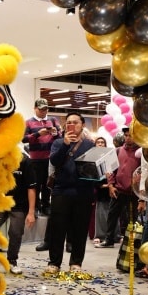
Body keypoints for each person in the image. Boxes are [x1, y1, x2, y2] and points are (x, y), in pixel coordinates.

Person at [43, 112, 99, 275]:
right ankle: (54, 262)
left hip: (84, 192)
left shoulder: (90, 144)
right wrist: (66, 145)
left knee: (80, 230)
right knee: (57, 229)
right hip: (61, 191)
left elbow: (94, 170)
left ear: (82, 125)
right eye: (68, 123)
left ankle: (76, 263)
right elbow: (54, 161)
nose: (71, 125)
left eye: (75, 122)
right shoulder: (58, 142)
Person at [0, 145, 38, 275]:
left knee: (15, 232)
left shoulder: (26, 162)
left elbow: (31, 188)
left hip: (19, 204)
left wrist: (31, 212)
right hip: (0, 202)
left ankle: (12, 261)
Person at [24, 99, 61, 217]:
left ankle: (46, 205)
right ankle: (34, 206)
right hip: (35, 158)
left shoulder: (53, 120)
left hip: (50, 158)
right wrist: (38, 134)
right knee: (36, 183)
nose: (43, 111)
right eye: (41, 109)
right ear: (35, 108)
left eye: (45, 109)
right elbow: (23, 139)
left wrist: (56, 133)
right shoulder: (28, 122)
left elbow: (60, 137)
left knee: (48, 183)